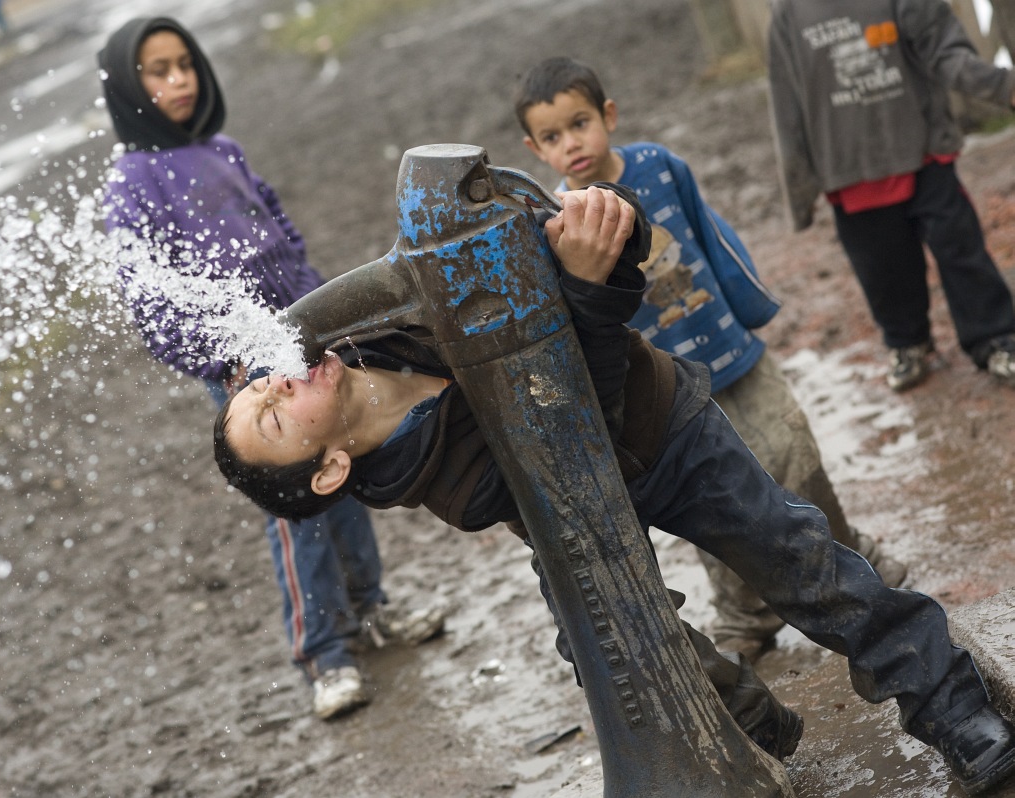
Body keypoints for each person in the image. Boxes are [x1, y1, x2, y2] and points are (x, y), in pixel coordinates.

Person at [212, 185, 1015, 795]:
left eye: (259, 387)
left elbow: (521, 232)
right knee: (608, 649)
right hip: (569, 507)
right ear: (329, 469)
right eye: (274, 418)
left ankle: (949, 701)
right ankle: (746, 727)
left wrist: (600, 229)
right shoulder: (440, 485)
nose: (276, 387)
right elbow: (571, 423)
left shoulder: (361, 326)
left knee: (797, 558)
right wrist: (588, 292)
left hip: (666, 426)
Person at [96, 16, 445, 721]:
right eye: (158, 72)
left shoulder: (222, 149)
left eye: (185, 64)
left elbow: (281, 231)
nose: (179, 81)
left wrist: (323, 313)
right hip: (249, 378)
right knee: (295, 511)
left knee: (341, 472)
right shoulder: (132, 184)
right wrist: (228, 362)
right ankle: (324, 652)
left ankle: (370, 610)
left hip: (306, 350)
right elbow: (150, 305)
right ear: (129, 91)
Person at [511, 56, 906, 661]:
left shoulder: (660, 168)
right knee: (711, 500)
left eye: (580, 123)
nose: (572, 144)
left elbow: (714, 237)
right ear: (536, 149)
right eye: (554, 136)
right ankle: (745, 614)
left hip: (735, 353)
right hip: (667, 393)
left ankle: (850, 556)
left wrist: (751, 307)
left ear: (608, 116)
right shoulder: (560, 225)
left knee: (794, 456)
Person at [767, 0, 1015, 392]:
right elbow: (787, 104)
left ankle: (997, 338)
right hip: (849, 167)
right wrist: (799, 192)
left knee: (961, 251)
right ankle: (908, 342)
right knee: (883, 267)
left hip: (922, 153)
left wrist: (1002, 85)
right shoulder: (788, 13)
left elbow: (945, 50)